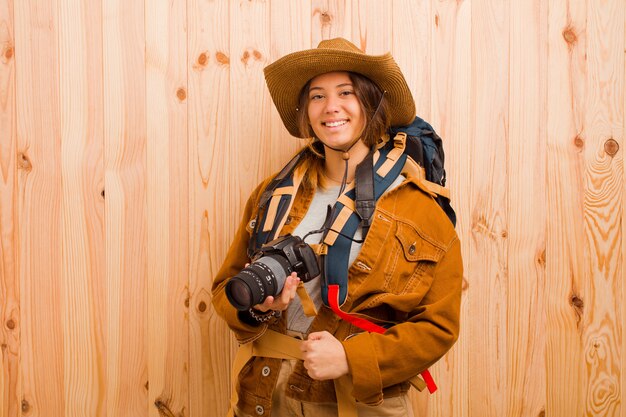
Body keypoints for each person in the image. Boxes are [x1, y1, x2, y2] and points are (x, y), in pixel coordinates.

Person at [211, 38, 463, 417]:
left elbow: (438, 326)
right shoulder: (273, 195)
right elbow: (224, 291)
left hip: (359, 403)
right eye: (317, 96)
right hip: (264, 395)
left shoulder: (419, 209)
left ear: (370, 102)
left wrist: (351, 357)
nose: (331, 107)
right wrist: (257, 308)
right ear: (306, 111)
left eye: (346, 92)